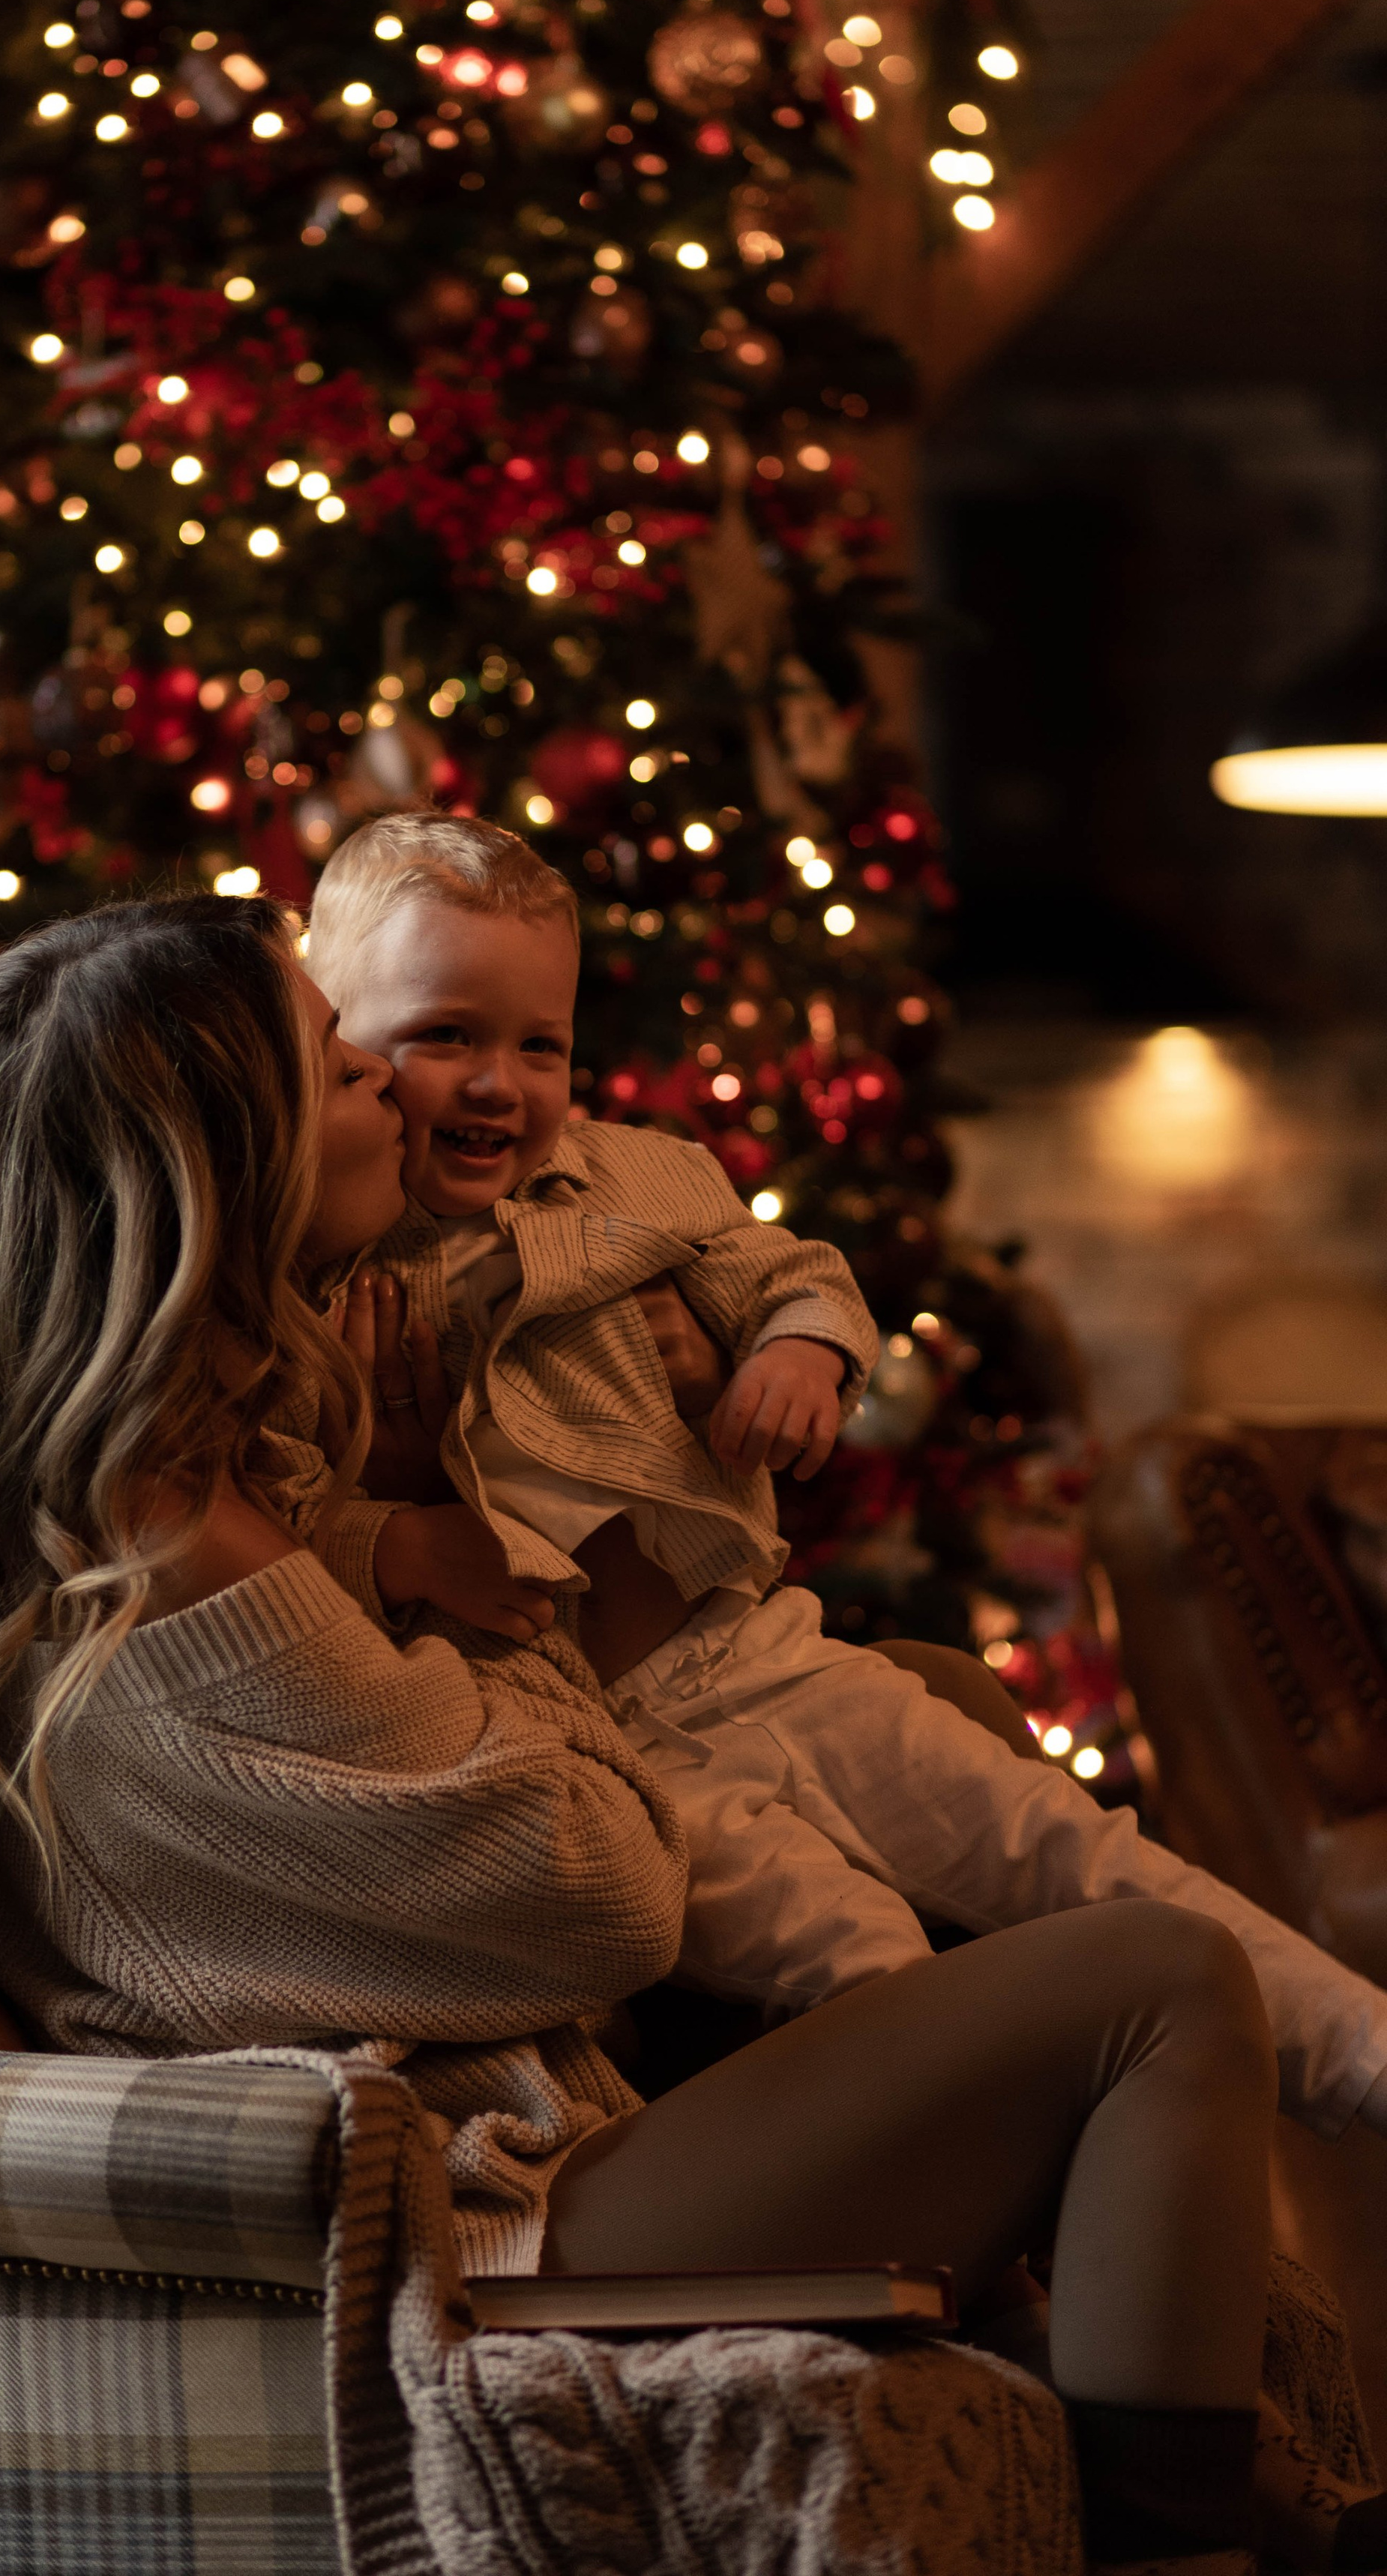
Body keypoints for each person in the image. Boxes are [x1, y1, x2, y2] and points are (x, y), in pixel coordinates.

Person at [0, 892, 1386, 2572]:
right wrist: (449, 1545)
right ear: (223, 1168)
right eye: (339, 1066)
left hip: (528, 2095)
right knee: (1153, 1985)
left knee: (939, 1703)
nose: (393, 1084)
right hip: (480, 2217)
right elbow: (605, 1891)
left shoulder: (182, 1489)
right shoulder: (195, 1575)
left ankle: (1191, 2431)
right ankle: (1182, 2544)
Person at [304, 811, 1387, 2147]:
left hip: (759, 1656)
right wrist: (397, 1543)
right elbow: (288, 1513)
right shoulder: (322, 1276)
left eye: (542, 1046)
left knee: (1079, 1850)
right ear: (336, 1042)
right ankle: (992, 2223)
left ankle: (1366, 2052)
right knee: (858, 1950)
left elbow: (800, 1274)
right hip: (599, 1752)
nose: (499, 1085)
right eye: (442, 1036)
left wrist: (801, 1356)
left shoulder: (635, 1178)